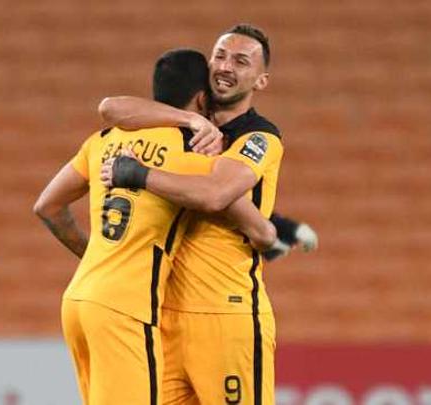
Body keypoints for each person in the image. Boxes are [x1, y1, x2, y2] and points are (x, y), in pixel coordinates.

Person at [34, 49, 276, 405]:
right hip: (128, 308)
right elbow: (255, 227)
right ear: (201, 98)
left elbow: (47, 206)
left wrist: (100, 258)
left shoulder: (105, 140)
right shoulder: (191, 153)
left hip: (79, 298)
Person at [101, 23, 294, 405]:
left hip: (225, 312)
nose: (226, 66)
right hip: (166, 316)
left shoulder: (259, 137)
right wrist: (190, 120)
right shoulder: (182, 126)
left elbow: (215, 194)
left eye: (241, 61)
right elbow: (110, 108)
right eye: (220, 56)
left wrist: (140, 174)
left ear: (261, 81)